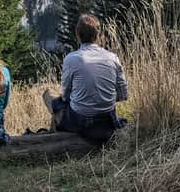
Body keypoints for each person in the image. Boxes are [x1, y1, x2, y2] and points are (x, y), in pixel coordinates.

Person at [43, 14, 129, 144]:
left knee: (51, 99)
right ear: (98, 35)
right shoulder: (113, 58)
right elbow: (123, 95)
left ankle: (53, 143)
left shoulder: (71, 59)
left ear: (77, 35)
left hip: (81, 120)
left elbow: (66, 96)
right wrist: (104, 98)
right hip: (107, 120)